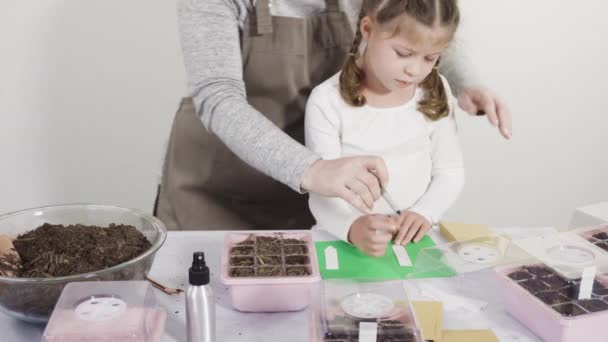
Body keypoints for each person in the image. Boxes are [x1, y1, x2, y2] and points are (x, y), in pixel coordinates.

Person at [155, 0, 511, 231]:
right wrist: (311, 169)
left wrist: (466, 83)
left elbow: (414, 25)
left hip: (318, 198)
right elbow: (218, 97)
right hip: (218, 192)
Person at [307, 0, 464, 257]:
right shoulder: (327, 100)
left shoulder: (436, 91)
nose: (414, 70)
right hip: (341, 242)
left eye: (430, 58)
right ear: (368, 29)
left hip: (414, 243)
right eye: (403, 53)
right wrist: (351, 227)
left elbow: (450, 170)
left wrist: (425, 211)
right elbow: (321, 189)